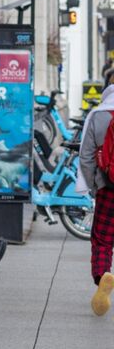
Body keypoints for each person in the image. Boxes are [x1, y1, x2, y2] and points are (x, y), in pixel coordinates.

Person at [78, 82, 114, 315]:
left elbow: (86, 156)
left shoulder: (98, 114)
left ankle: (103, 276)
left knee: (102, 240)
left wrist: (93, 186)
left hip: (108, 187)